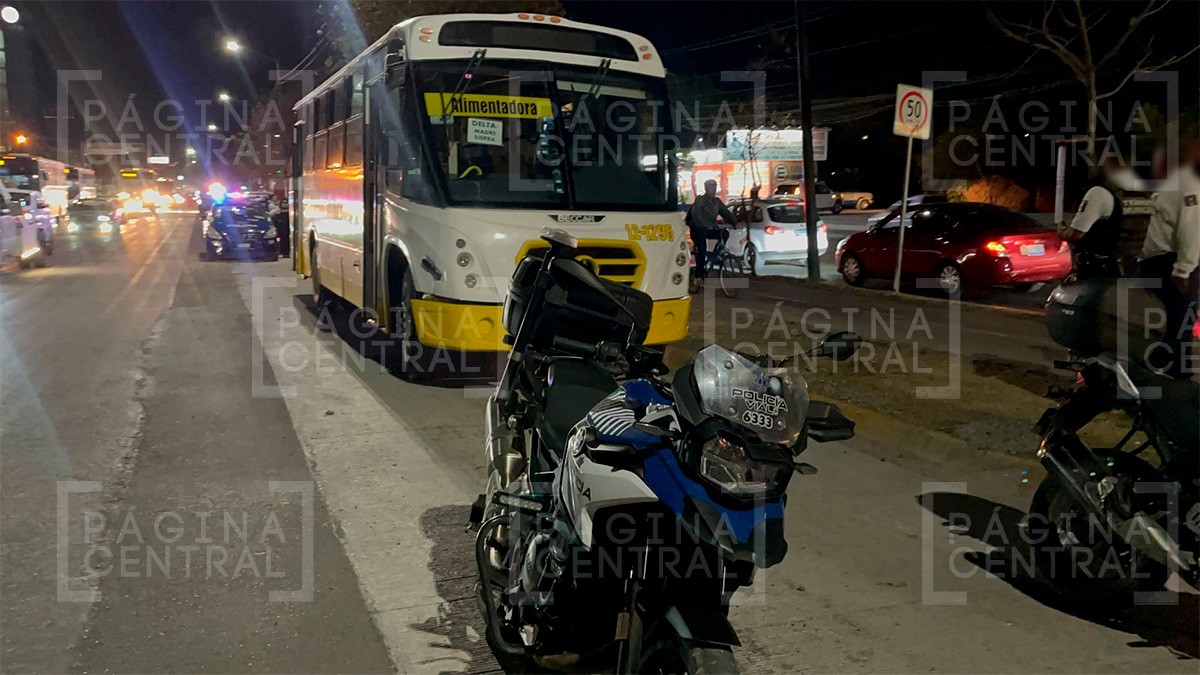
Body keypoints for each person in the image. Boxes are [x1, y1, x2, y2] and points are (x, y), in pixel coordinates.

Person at [1140, 143, 1200, 378]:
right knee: (1168, 325)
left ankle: (1172, 378)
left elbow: (1191, 228)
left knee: (1174, 326)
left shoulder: (1185, 183)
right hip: (1164, 264)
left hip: (1169, 265)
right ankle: (1164, 374)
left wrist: (1183, 269)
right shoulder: (1178, 184)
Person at [1059, 152, 1147, 279]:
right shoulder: (1140, 196)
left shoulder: (1098, 193)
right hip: (1125, 265)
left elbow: (1076, 234)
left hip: (1097, 267)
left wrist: (1061, 232)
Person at [685, 179, 735, 285]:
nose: (713, 189)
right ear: (706, 188)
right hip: (697, 229)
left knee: (724, 233)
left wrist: (735, 223)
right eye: (711, 186)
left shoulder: (717, 202)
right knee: (702, 250)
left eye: (715, 186)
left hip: (709, 229)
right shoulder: (700, 200)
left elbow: (726, 213)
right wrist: (705, 225)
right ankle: (698, 276)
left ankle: (714, 255)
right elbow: (697, 215)